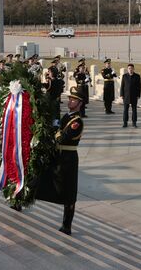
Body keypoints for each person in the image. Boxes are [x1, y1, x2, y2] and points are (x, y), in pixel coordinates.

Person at [36, 86, 85, 235]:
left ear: (80, 103)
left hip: (68, 159)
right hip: (58, 155)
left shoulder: (77, 121)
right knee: (41, 178)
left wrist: (55, 130)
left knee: (69, 192)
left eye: (74, 99)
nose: (70, 100)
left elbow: (62, 137)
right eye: (70, 98)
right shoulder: (67, 116)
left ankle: (67, 225)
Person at [120, 64, 141, 128]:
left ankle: (134, 123)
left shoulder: (137, 76)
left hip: (134, 96)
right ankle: (125, 122)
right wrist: (121, 94)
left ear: (133, 69)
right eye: (129, 68)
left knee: (134, 110)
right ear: (127, 69)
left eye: (131, 68)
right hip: (126, 96)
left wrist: (138, 95)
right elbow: (122, 86)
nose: (130, 69)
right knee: (125, 110)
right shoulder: (124, 76)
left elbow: (139, 87)